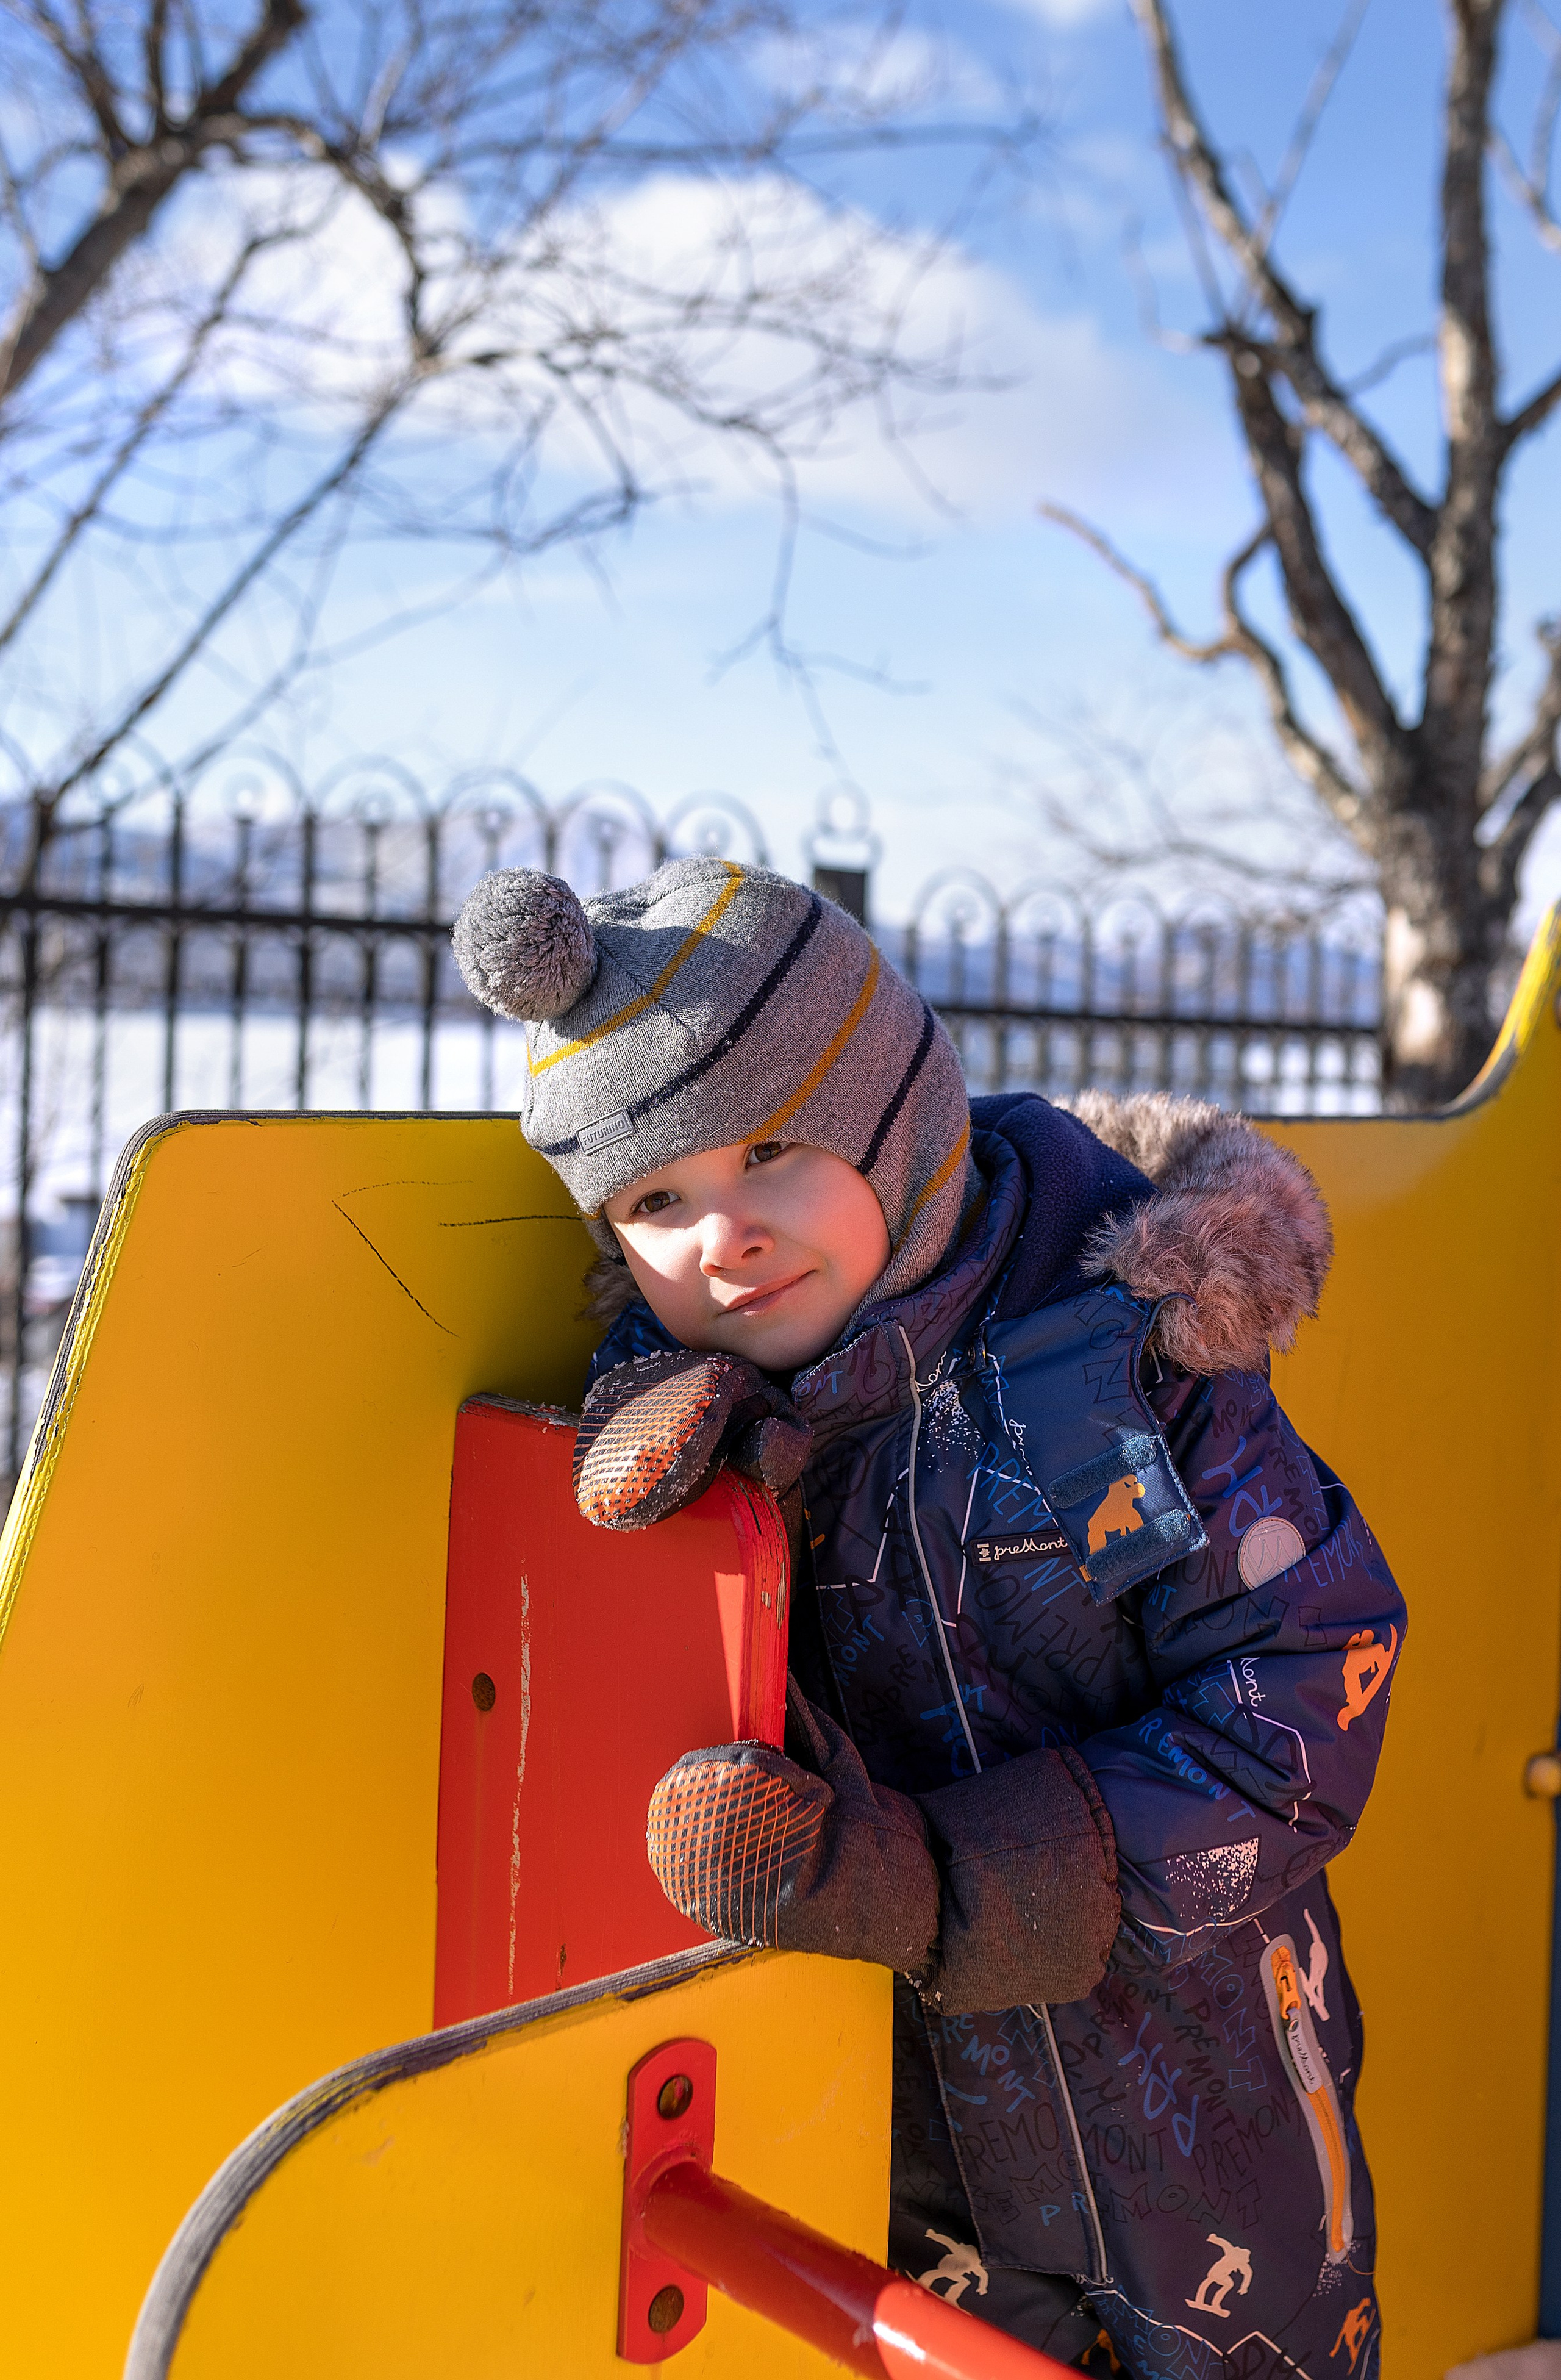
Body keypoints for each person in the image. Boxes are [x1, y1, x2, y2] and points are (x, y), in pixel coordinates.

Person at [452, 856, 1403, 2380]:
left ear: (895, 1118)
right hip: (914, 2138)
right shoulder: (745, 1420)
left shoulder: (1104, 1368)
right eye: (654, 1199)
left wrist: (959, 1877)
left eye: (771, 1147)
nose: (722, 1233)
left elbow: (1300, 1684)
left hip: (1193, 2099)